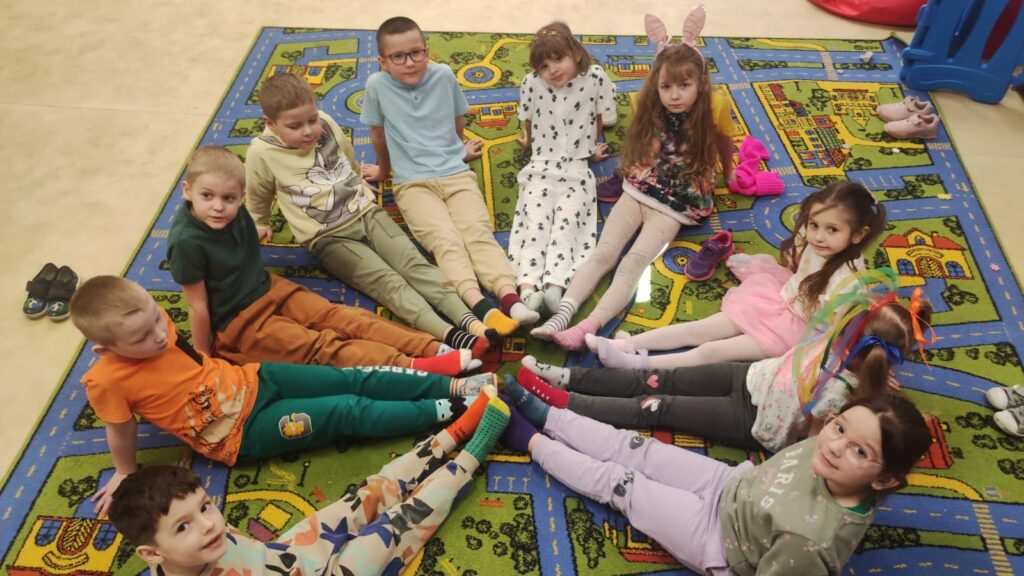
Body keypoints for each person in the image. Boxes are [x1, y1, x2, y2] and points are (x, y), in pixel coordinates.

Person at [68, 275, 499, 515]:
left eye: (156, 320)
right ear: (105, 350)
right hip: (238, 433)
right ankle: (454, 407)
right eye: (142, 338)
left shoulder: (154, 322)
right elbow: (120, 428)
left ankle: (454, 385)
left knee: (350, 377)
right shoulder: (105, 381)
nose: (160, 335)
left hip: (257, 378)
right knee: (346, 410)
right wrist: (124, 471)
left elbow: (190, 357)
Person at [499, 383, 933, 576]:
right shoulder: (827, 443)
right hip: (729, 485)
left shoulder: (809, 544)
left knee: (621, 483)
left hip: (720, 543)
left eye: (860, 451)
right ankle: (548, 416)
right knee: (634, 447)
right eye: (840, 428)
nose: (836, 446)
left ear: (883, 480)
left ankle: (529, 440)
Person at [107, 391, 510, 576]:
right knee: (399, 524)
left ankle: (451, 435)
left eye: (205, 507)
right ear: (151, 553)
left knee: (368, 493)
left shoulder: (207, 537)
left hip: (294, 550)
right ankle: (471, 455)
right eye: (183, 526)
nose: (209, 524)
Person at [168, 145, 477, 377]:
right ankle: (414, 366)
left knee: (344, 318)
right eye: (207, 196)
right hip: (239, 320)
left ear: (240, 196)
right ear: (187, 191)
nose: (218, 207)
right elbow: (198, 307)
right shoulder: (186, 242)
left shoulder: (236, 214)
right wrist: (203, 355)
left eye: (229, 198)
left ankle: (435, 347)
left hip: (269, 288)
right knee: (320, 347)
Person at [245, 73, 497, 353]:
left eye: (312, 119)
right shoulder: (261, 152)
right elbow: (258, 191)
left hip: (365, 211)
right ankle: (450, 334)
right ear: (270, 123)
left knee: (414, 264)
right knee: (388, 283)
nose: (308, 131)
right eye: (295, 126)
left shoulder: (325, 121)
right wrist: (259, 221)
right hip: (327, 236)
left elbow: (345, 152)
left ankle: (472, 322)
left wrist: (356, 179)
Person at [517, 291, 933, 452]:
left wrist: (866, 388)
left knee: (657, 404)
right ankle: (568, 377)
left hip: (752, 420)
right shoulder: (833, 341)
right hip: (748, 378)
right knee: (660, 380)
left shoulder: (844, 394)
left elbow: (809, 449)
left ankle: (566, 401)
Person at [531, 24, 737, 350]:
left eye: (684, 85)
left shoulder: (715, 104)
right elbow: (642, 142)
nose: (674, 95)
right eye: (666, 86)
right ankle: (560, 317)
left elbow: (725, 140)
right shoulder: (648, 101)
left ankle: (587, 326)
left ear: (701, 82)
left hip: (678, 201)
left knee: (633, 263)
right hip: (642, 185)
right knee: (603, 253)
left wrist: (731, 173)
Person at [360, 16, 540, 337]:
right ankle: (482, 309)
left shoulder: (443, 75)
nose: (409, 62)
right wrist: (384, 171)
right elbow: (377, 134)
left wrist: (458, 150)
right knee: (446, 241)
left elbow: (457, 118)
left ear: (427, 50)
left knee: (478, 232)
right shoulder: (377, 86)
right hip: (412, 183)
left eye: (416, 53)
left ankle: (511, 300)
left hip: (455, 173)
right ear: (382, 61)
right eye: (398, 57)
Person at [590, 181, 886, 368]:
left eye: (832, 230)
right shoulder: (815, 243)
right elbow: (800, 265)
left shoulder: (847, 282)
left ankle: (634, 366)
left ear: (858, 235)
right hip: (774, 301)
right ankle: (630, 344)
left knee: (713, 352)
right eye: (814, 225)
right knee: (700, 329)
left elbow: (842, 330)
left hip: (794, 332)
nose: (818, 236)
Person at [509, 22, 617, 316]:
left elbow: (598, 113)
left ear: (576, 54)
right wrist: (528, 140)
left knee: (568, 225)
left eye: (558, 59)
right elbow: (528, 116)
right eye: (544, 66)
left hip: (576, 169)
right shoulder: (531, 82)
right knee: (534, 224)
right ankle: (527, 289)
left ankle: (555, 287)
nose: (552, 70)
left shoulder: (595, 77)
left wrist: (592, 146)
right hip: (540, 166)